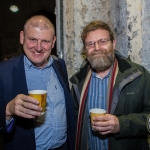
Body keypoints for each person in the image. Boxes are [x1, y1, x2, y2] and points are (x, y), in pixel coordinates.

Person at [70, 20, 150, 150]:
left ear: (113, 43)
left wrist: (121, 124)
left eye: (102, 41)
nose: (97, 48)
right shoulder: (77, 83)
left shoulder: (139, 75)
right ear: (85, 50)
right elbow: (73, 122)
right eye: (90, 44)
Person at [0, 15, 75, 150]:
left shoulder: (59, 65)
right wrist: (8, 110)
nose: (38, 47)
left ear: (53, 42)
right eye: (33, 39)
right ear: (22, 37)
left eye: (45, 41)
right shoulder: (4, 71)